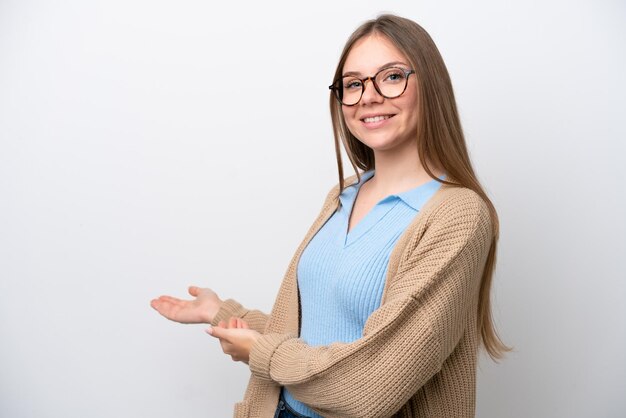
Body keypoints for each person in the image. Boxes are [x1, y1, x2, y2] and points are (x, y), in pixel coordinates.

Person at [150, 13, 509, 418]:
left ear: (431, 87)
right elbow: (313, 340)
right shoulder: (342, 197)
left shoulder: (458, 216)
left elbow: (370, 386)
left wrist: (260, 352)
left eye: (391, 77)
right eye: (353, 84)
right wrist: (222, 313)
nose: (368, 97)